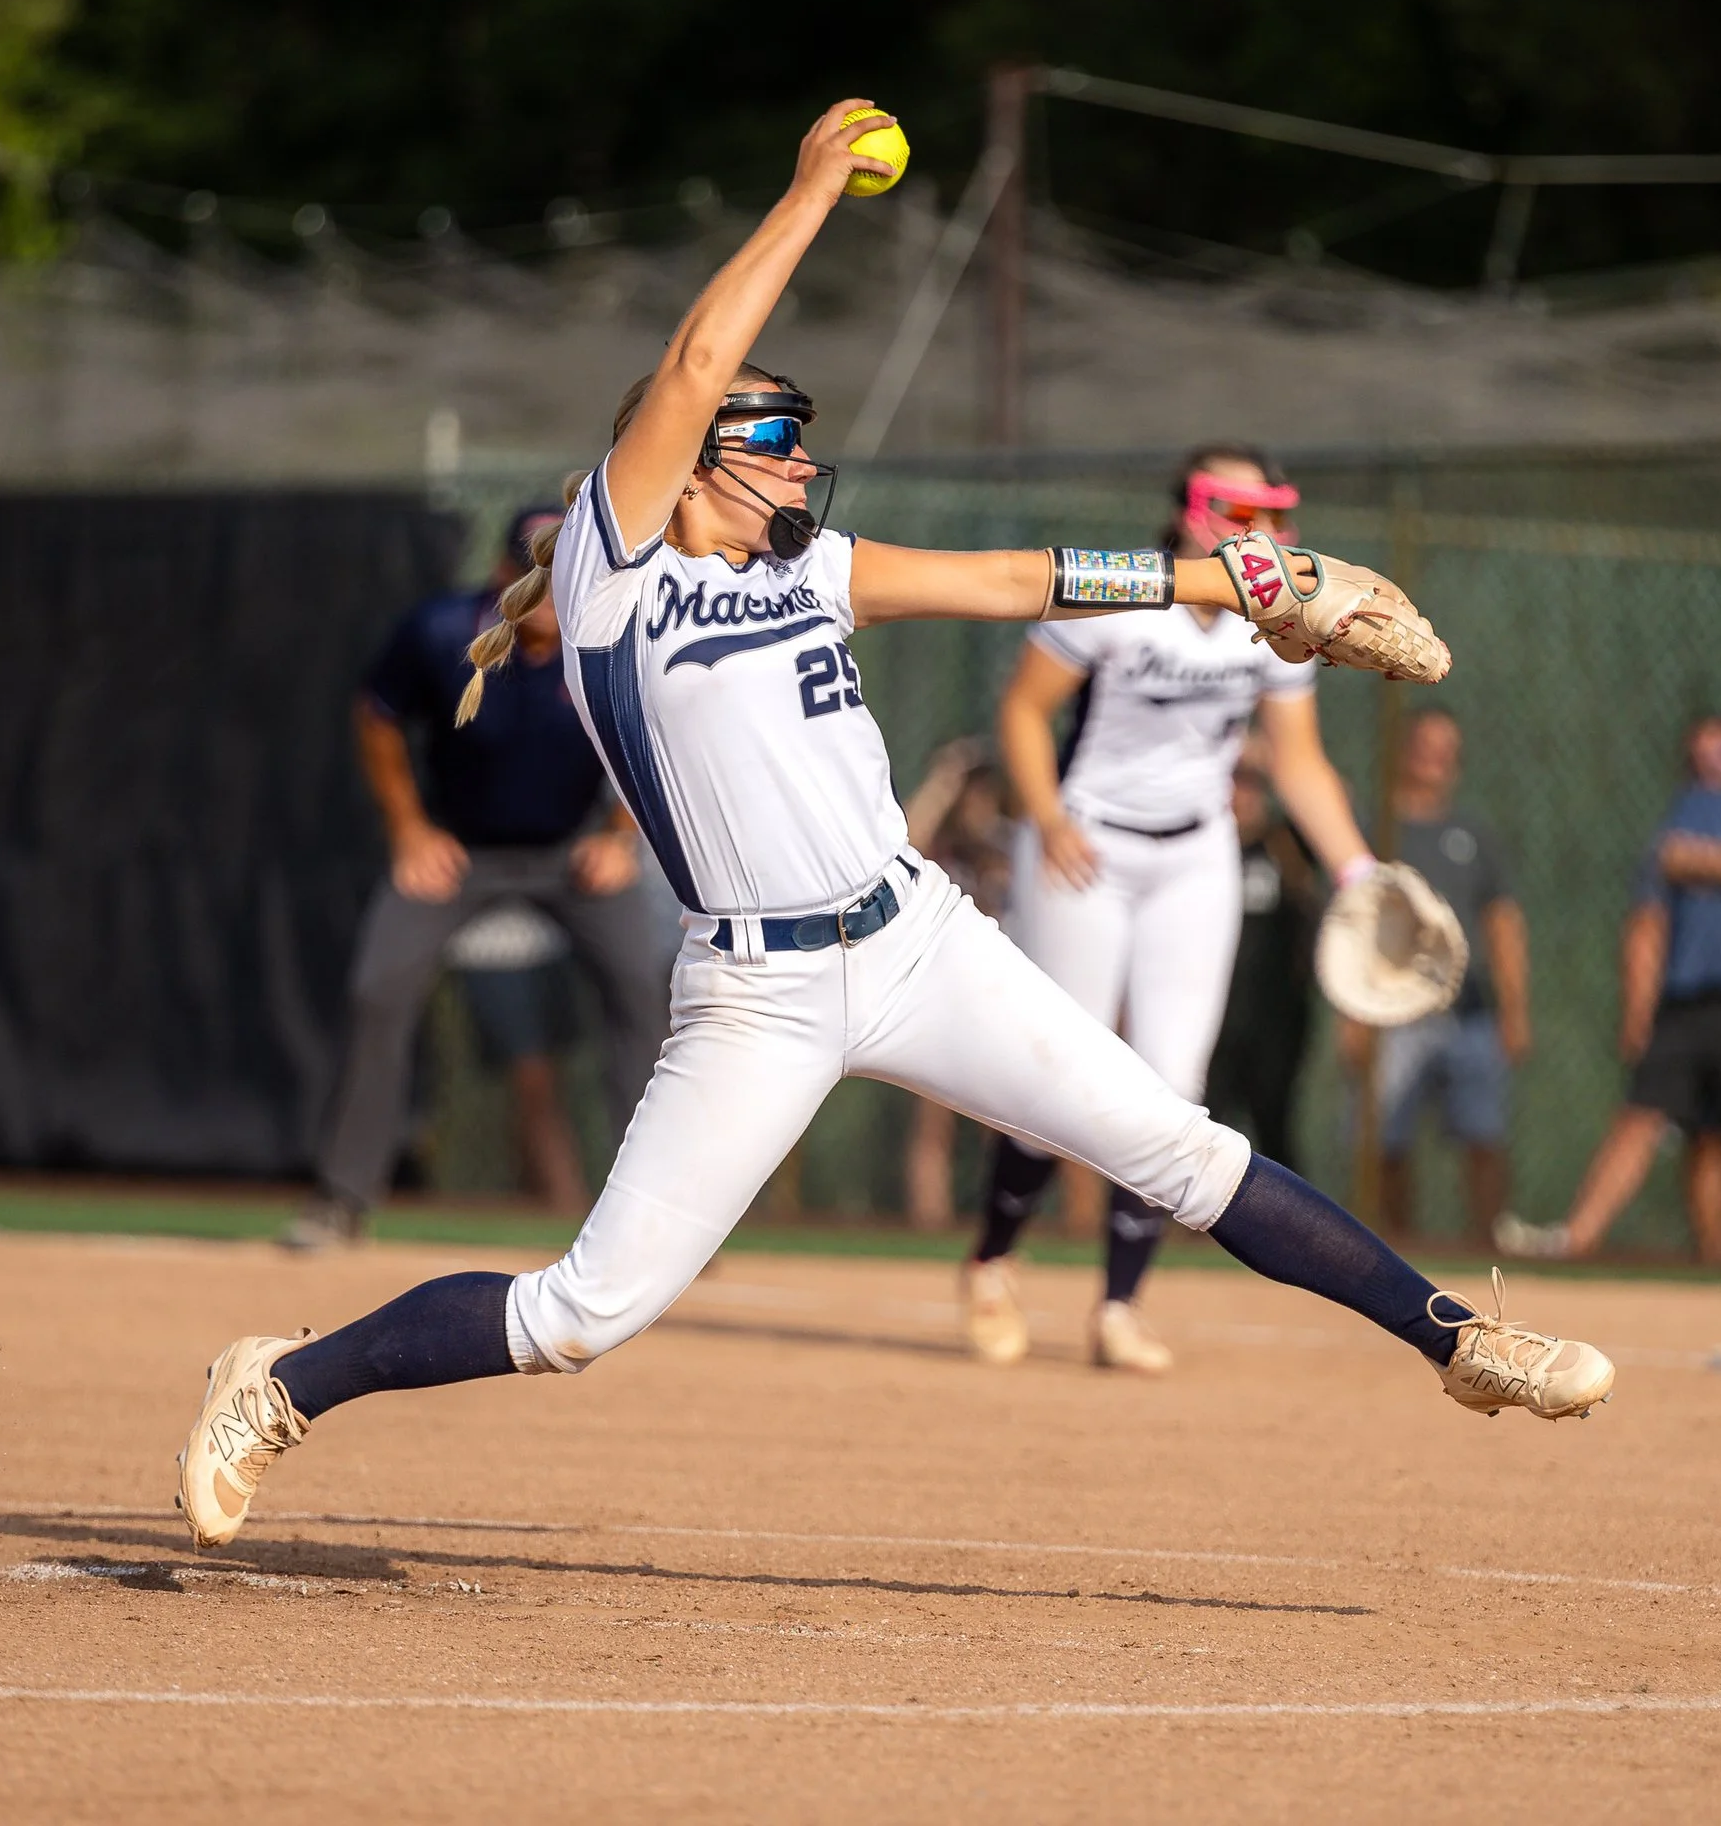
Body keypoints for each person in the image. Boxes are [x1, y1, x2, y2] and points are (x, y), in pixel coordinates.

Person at [178, 102, 1614, 1554]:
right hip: (756, 991)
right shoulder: (616, 580)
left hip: (919, 936)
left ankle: (1455, 1342)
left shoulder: (817, 572)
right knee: (579, 1316)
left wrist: (1228, 579)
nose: (805, 465)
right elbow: (688, 366)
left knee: (1179, 1151)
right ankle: (279, 1386)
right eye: (776, 441)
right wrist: (808, 191)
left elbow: (1013, 578)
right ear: (686, 466)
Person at [957, 444, 1380, 1377]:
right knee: (1049, 1072)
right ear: (1190, 514)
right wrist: (1049, 816)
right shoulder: (1119, 592)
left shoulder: (1271, 628)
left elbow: (1300, 765)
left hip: (1195, 853)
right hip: (1088, 845)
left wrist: (1357, 873)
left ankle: (1119, 1305)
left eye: (1271, 514)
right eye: (1237, 511)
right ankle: (992, 1263)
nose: (1258, 533)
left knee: (1170, 1085)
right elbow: (1024, 712)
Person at [284, 502, 674, 1248]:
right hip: (461, 853)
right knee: (379, 987)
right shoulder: (440, 633)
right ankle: (341, 1200)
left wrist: (622, 836)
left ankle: (655, 1221)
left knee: (641, 999)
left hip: (574, 854)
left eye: (566, 573)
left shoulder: (616, 640)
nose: (550, 590)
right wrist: (408, 829)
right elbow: (378, 714)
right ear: (502, 576)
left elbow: (659, 732)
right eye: (534, 571)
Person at [1500, 695, 1721, 1265]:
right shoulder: (1700, 804)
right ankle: (1576, 1236)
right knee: (1648, 1117)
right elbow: (1676, 858)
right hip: (1689, 999)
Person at [1340, 707, 1529, 1241]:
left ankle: (1490, 1244)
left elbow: (1503, 922)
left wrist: (1514, 1010)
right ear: (1404, 751)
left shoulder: (1473, 834)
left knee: (1484, 1133)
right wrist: (1352, 1014)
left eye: (1447, 750)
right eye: (1425, 746)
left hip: (1468, 1012)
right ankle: (1398, 1245)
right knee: (1385, 1140)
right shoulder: (1373, 831)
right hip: (1391, 1010)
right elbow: (1351, 927)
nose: (1434, 759)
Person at [895, 738, 1012, 1230]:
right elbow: (904, 837)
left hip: (998, 996)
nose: (975, 802)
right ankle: (931, 1227)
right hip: (936, 992)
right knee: (934, 1123)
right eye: (969, 792)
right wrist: (945, 780)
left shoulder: (1006, 844)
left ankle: (1007, 1223)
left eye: (981, 791)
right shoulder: (933, 850)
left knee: (1007, 1125)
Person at [1204, 746, 1327, 1175]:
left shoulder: (1285, 844)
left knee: (1274, 1125)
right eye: (1234, 781)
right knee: (1203, 1125)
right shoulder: (1199, 847)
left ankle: (1289, 1226)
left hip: (1276, 1019)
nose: (1242, 794)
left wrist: (1275, 758)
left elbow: (1331, 801)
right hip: (1209, 1016)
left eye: (1251, 784)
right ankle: (1190, 1230)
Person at [445, 901, 590, 1212]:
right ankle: (566, 1201)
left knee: (549, 1082)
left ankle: (556, 1201)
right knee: (533, 1079)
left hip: (554, 941)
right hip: (489, 947)